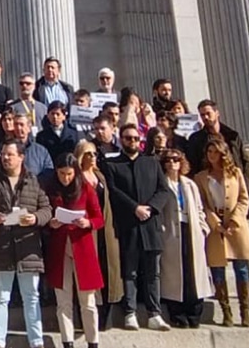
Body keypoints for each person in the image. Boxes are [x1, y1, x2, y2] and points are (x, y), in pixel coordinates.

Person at [0, 141, 56, 348]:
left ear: (21, 157)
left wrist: (36, 218)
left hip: (28, 248)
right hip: (1, 248)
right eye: (3, 154)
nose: (5, 158)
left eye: (10, 154)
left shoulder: (33, 180)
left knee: (31, 298)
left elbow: (46, 208)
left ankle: (38, 347)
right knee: (0, 298)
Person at [102, 123, 173, 331]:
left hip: (150, 225)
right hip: (129, 225)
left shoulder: (151, 162)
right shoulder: (113, 164)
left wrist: (150, 208)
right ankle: (130, 312)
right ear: (121, 139)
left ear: (140, 140)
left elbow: (164, 190)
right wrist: (134, 208)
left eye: (135, 138)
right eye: (127, 138)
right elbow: (113, 192)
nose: (131, 141)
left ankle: (154, 313)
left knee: (153, 273)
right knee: (130, 272)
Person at [44, 153, 109, 348]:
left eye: (69, 174)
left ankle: (93, 347)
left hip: (82, 248)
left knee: (88, 303)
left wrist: (87, 222)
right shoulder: (51, 189)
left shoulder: (85, 188)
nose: (65, 178)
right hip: (60, 248)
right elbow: (45, 214)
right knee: (63, 302)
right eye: (61, 174)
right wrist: (51, 223)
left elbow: (100, 218)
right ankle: (68, 347)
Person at [194, 136, 249, 328]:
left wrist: (235, 220)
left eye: (216, 152)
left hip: (235, 226)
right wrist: (214, 222)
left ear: (223, 153)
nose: (212, 156)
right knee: (218, 270)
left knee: (242, 268)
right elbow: (203, 203)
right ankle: (226, 311)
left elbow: (243, 199)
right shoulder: (201, 177)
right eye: (209, 152)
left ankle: (244, 310)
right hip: (216, 226)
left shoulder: (235, 173)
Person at [160, 148, 213, 329]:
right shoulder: (162, 184)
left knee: (193, 271)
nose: (172, 163)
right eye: (168, 160)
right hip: (171, 231)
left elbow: (199, 208)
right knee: (175, 273)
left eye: (176, 159)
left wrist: (203, 229)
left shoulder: (189, 184)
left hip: (191, 229)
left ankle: (194, 312)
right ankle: (178, 313)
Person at [186, 99, 249, 222]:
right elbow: (193, 166)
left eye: (208, 113)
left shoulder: (232, 135)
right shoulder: (196, 139)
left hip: (234, 188)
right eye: (202, 115)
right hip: (211, 190)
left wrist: (245, 187)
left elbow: (245, 162)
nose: (205, 117)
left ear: (217, 113)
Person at [74, 140, 121, 331]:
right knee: (88, 272)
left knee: (108, 269)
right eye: (88, 154)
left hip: (105, 229)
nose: (92, 157)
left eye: (94, 154)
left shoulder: (100, 176)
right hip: (85, 230)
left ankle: (106, 316)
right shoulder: (77, 178)